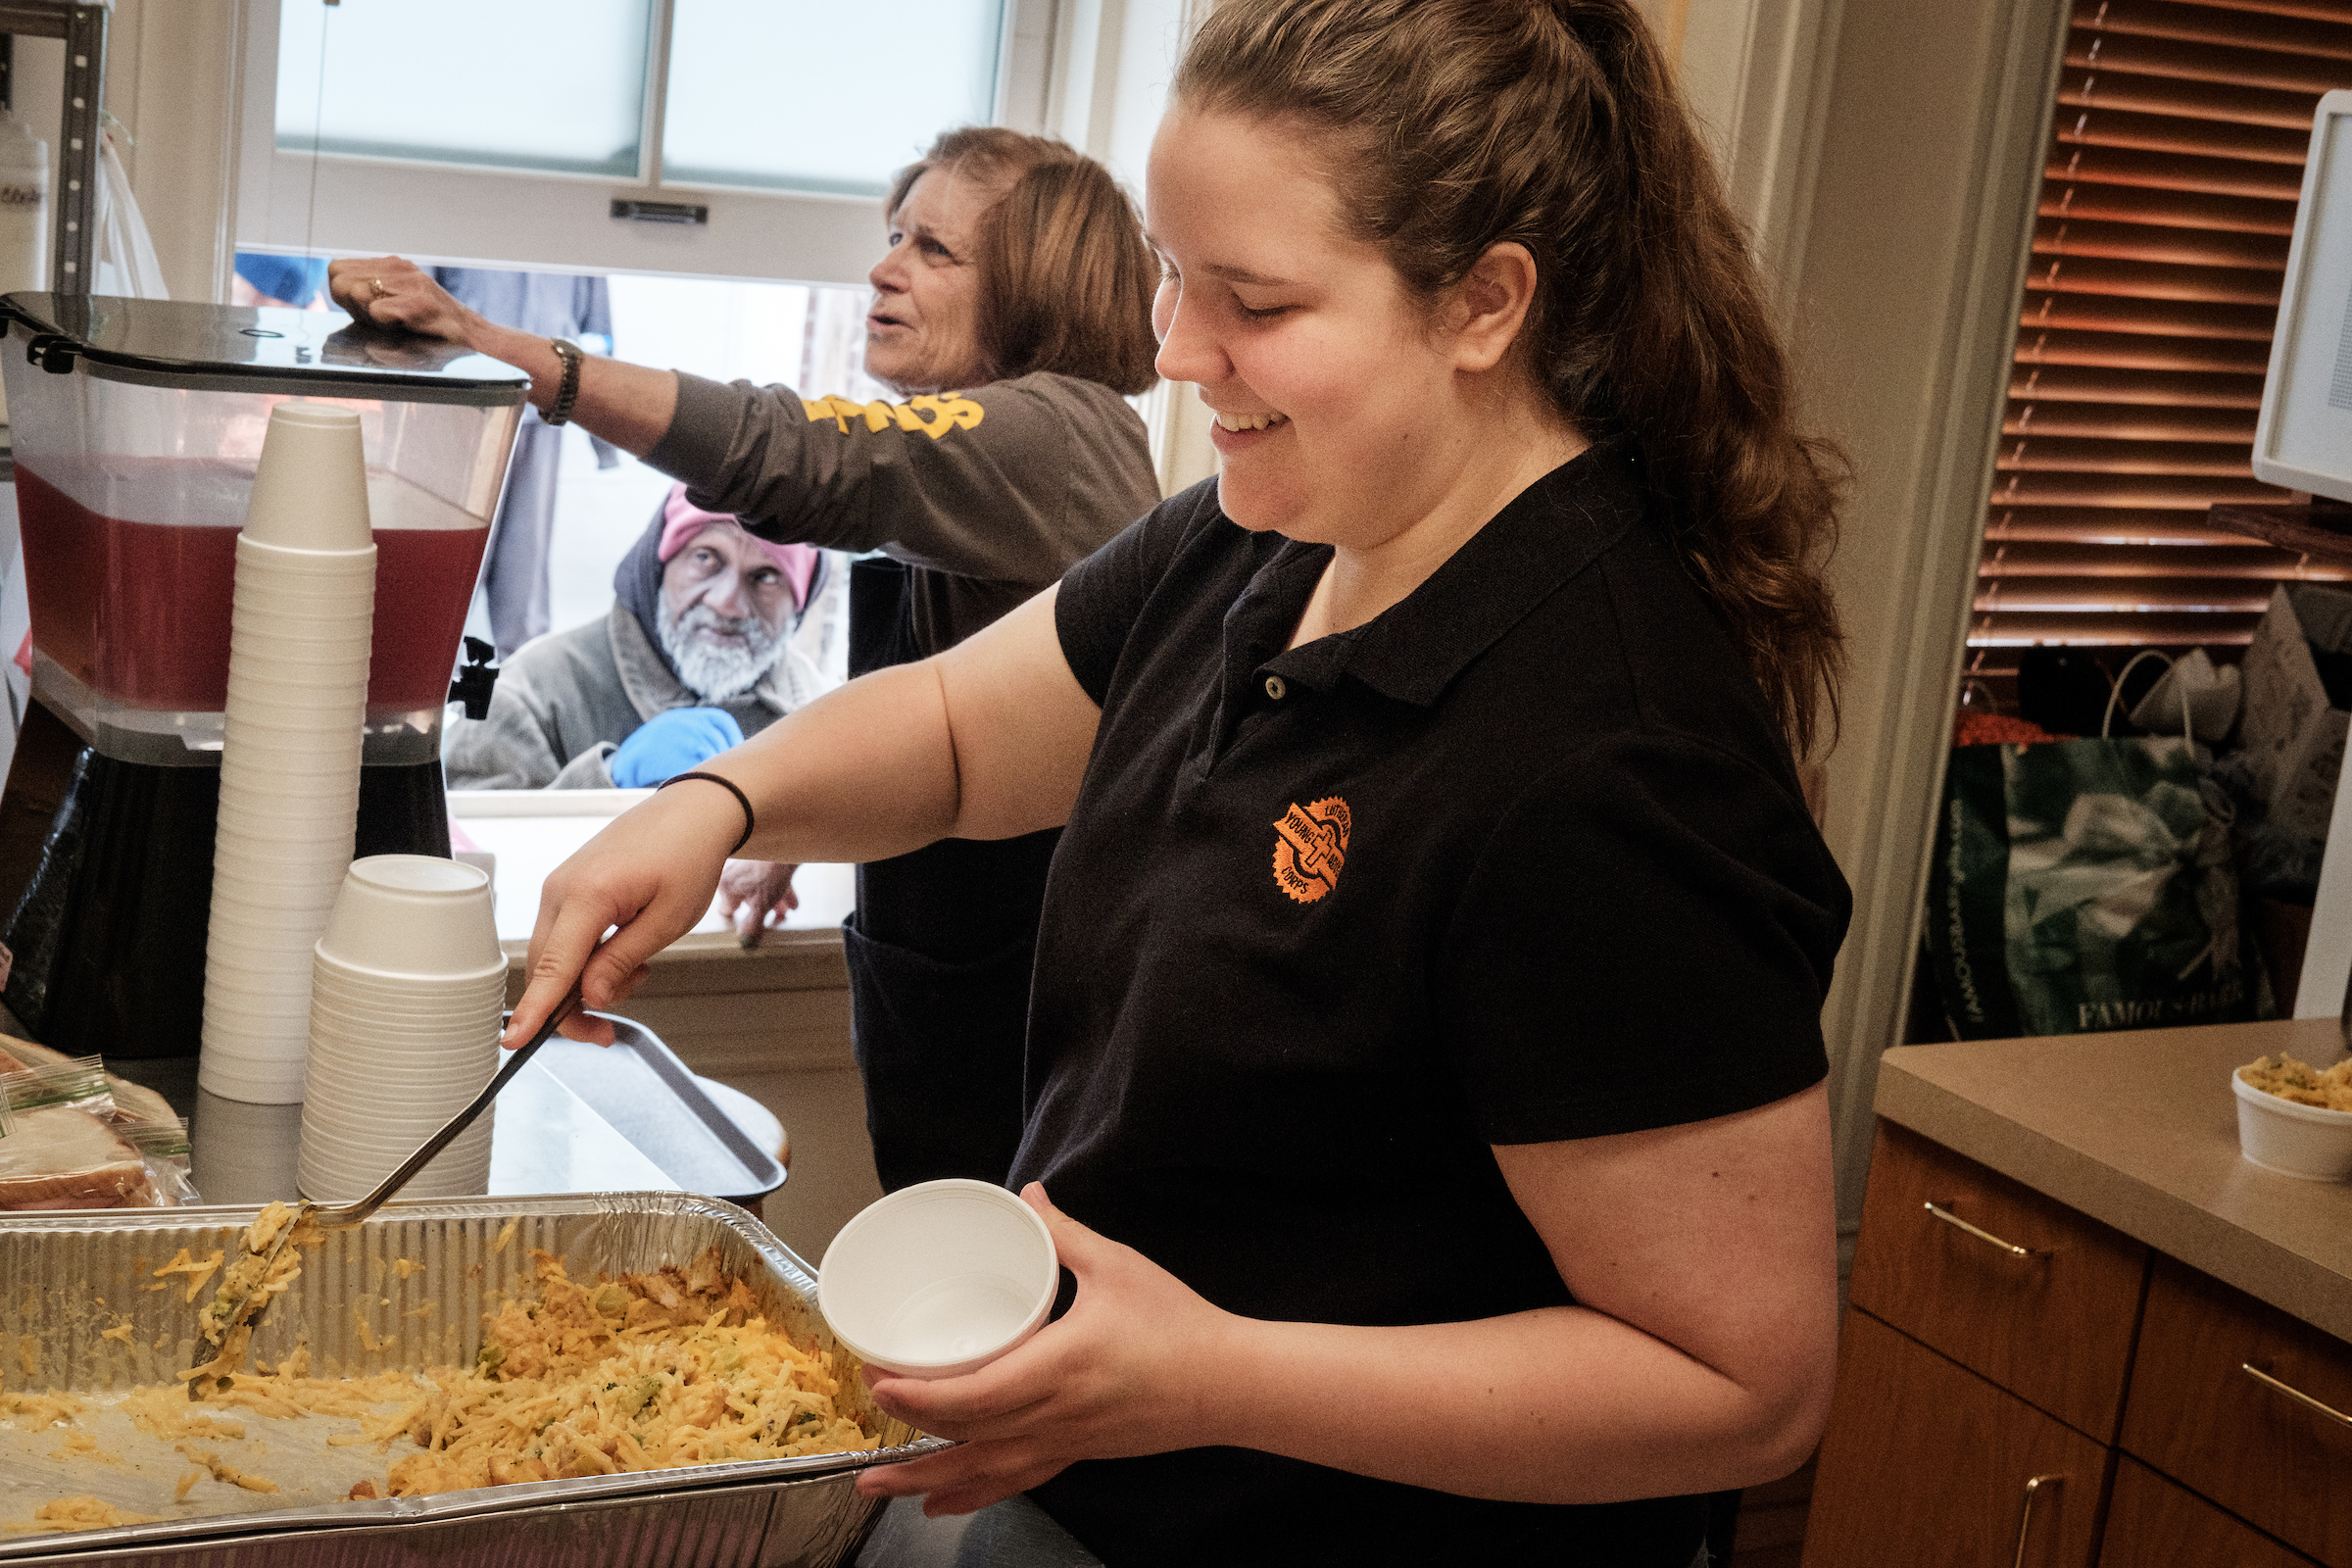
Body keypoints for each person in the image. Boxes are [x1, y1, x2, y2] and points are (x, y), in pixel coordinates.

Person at [455, 1, 1859, 1558]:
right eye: (1177, 276)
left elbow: (1742, 1386)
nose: (1178, 353)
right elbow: (957, 732)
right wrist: (716, 805)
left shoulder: (1612, 751)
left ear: (1484, 303)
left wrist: (1217, 1379)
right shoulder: (1266, 533)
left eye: (1252, 300)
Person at [330, 129, 1163, 1195]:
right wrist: (814, 824)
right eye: (894, 235)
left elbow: (795, 451)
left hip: (1041, 1001)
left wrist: (502, 348)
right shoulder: (988, 452)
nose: (885, 266)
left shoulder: (1053, 436)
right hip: (958, 986)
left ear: (1039, 283)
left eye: (936, 250)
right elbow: (948, 696)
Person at [445, 486, 827, 942]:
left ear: (799, 603)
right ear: (658, 566)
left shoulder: (815, 709)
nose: (727, 602)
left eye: (766, 576)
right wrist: (607, 783)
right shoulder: (529, 687)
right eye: (706, 558)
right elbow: (463, 873)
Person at [433, 269, 618, 659]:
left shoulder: (577, 225)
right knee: (448, 573)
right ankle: (424, 678)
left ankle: (520, 691)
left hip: (544, 415)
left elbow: (599, 335)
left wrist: (606, 438)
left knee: (524, 580)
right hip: (464, 414)